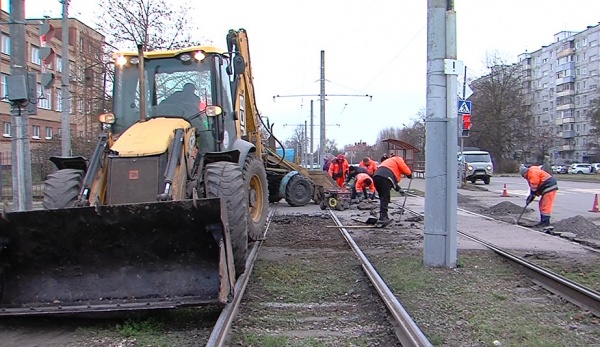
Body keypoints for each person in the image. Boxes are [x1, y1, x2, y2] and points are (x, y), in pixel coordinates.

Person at [373, 156, 412, 227]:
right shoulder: (398, 159)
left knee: (382, 197)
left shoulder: (388, 163)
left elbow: (391, 181)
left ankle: (384, 216)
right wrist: (409, 174)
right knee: (385, 197)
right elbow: (404, 169)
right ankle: (383, 217)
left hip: (376, 176)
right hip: (384, 178)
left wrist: (398, 189)